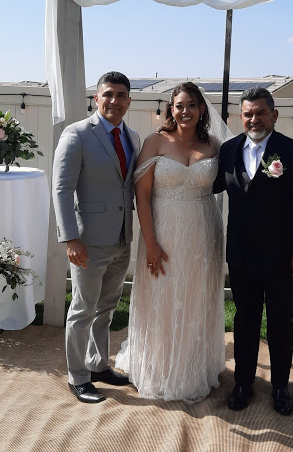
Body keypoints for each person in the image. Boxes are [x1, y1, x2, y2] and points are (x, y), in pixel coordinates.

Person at [214, 86, 293, 416]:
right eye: (248, 114)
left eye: (261, 112)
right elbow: (209, 184)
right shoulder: (228, 150)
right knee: (244, 321)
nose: (254, 119)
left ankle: (280, 387)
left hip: (281, 256)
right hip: (241, 255)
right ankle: (243, 384)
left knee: (280, 322)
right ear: (240, 117)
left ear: (274, 115)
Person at [115, 82, 226, 404]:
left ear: (201, 109)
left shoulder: (214, 144)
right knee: (162, 297)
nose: (185, 111)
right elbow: (142, 195)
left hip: (204, 233)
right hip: (162, 231)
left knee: (196, 298)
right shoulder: (155, 141)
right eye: (179, 105)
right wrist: (151, 243)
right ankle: (160, 367)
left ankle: (192, 367)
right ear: (170, 109)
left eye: (191, 105)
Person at [52, 71, 140, 404]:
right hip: (87, 242)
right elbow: (62, 189)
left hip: (122, 239)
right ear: (96, 98)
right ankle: (78, 378)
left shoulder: (132, 136)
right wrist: (70, 239)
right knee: (83, 310)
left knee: (107, 308)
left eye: (121, 95)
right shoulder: (76, 134)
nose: (114, 101)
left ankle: (98, 364)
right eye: (108, 94)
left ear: (129, 101)